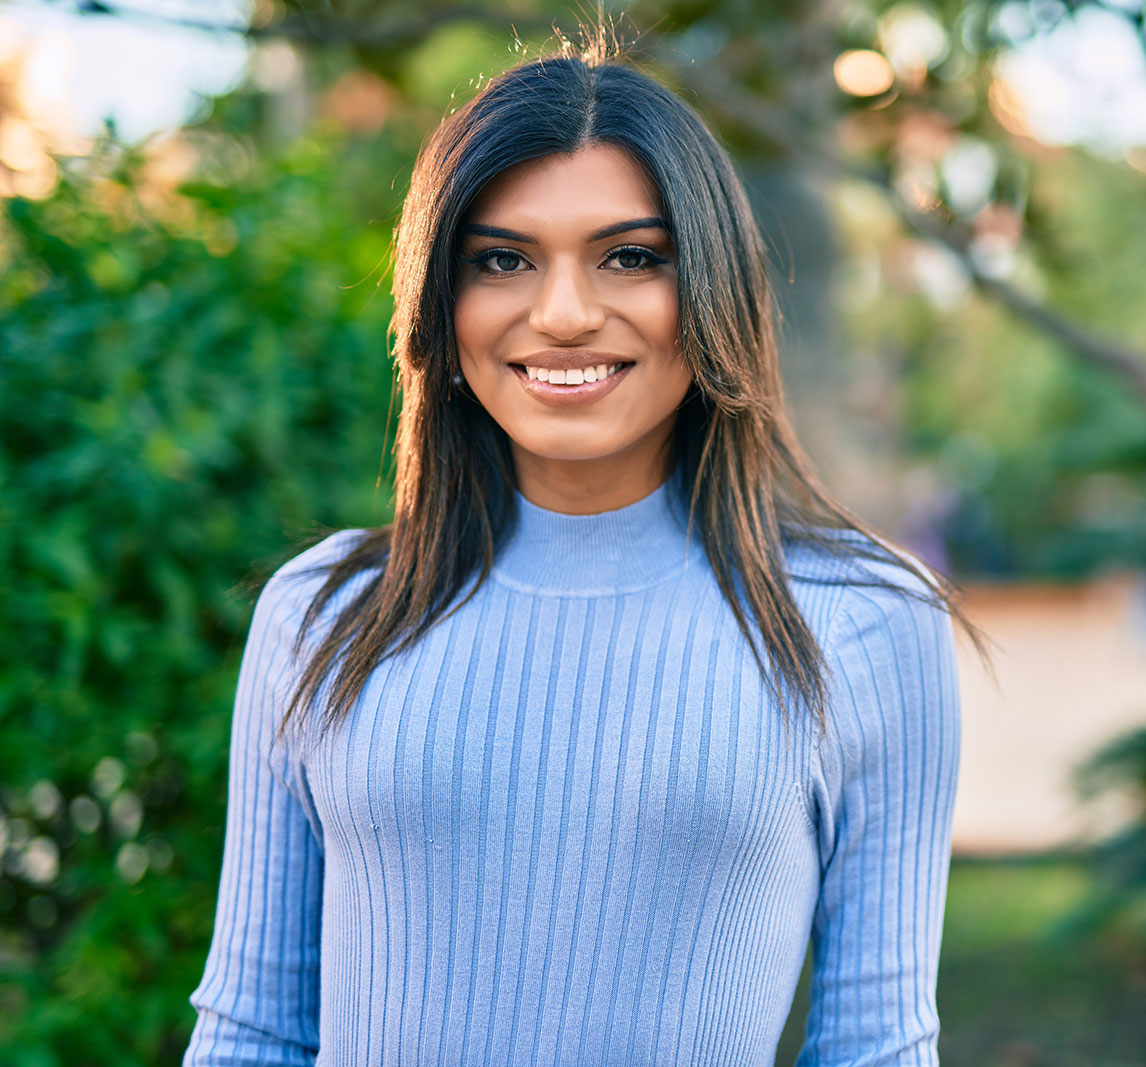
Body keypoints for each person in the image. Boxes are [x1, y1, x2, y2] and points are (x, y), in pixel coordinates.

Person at [183, 49, 985, 1066]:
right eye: (502, 259)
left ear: (712, 291)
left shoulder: (863, 619)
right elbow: (251, 1033)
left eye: (630, 257)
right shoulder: (324, 613)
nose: (562, 312)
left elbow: (877, 1046)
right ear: (441, 300)